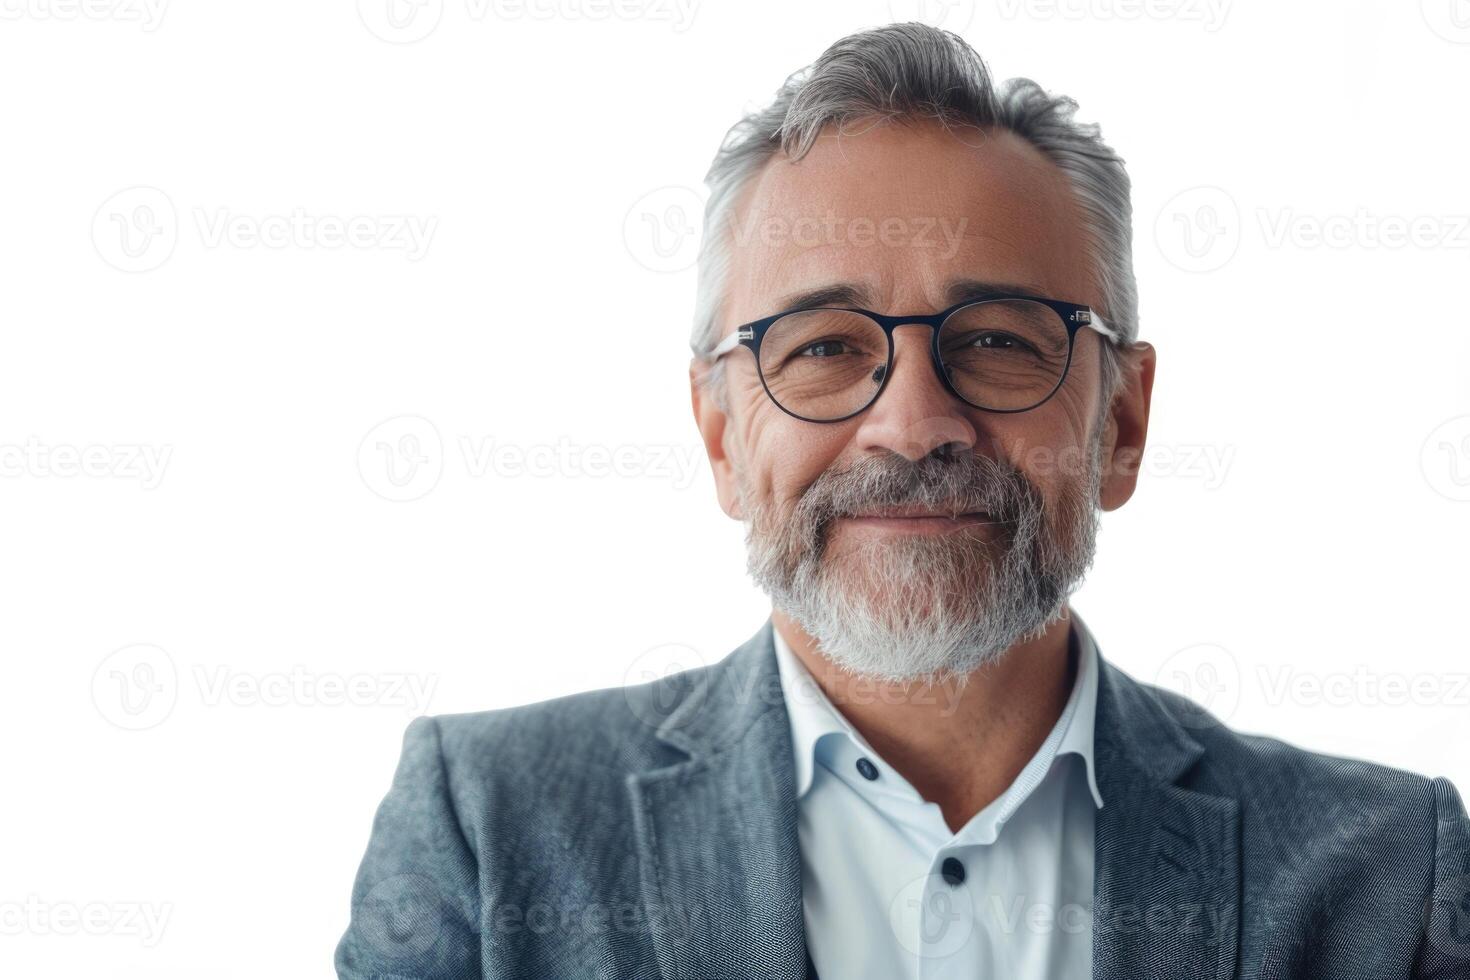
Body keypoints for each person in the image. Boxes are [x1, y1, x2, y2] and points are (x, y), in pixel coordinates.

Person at [335, 22, 1470, 979]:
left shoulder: (1386, 871)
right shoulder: (488, 830)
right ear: (724, 435)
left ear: (1120, 421)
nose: (913, 421)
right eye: (824, 346)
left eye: (996, 339)